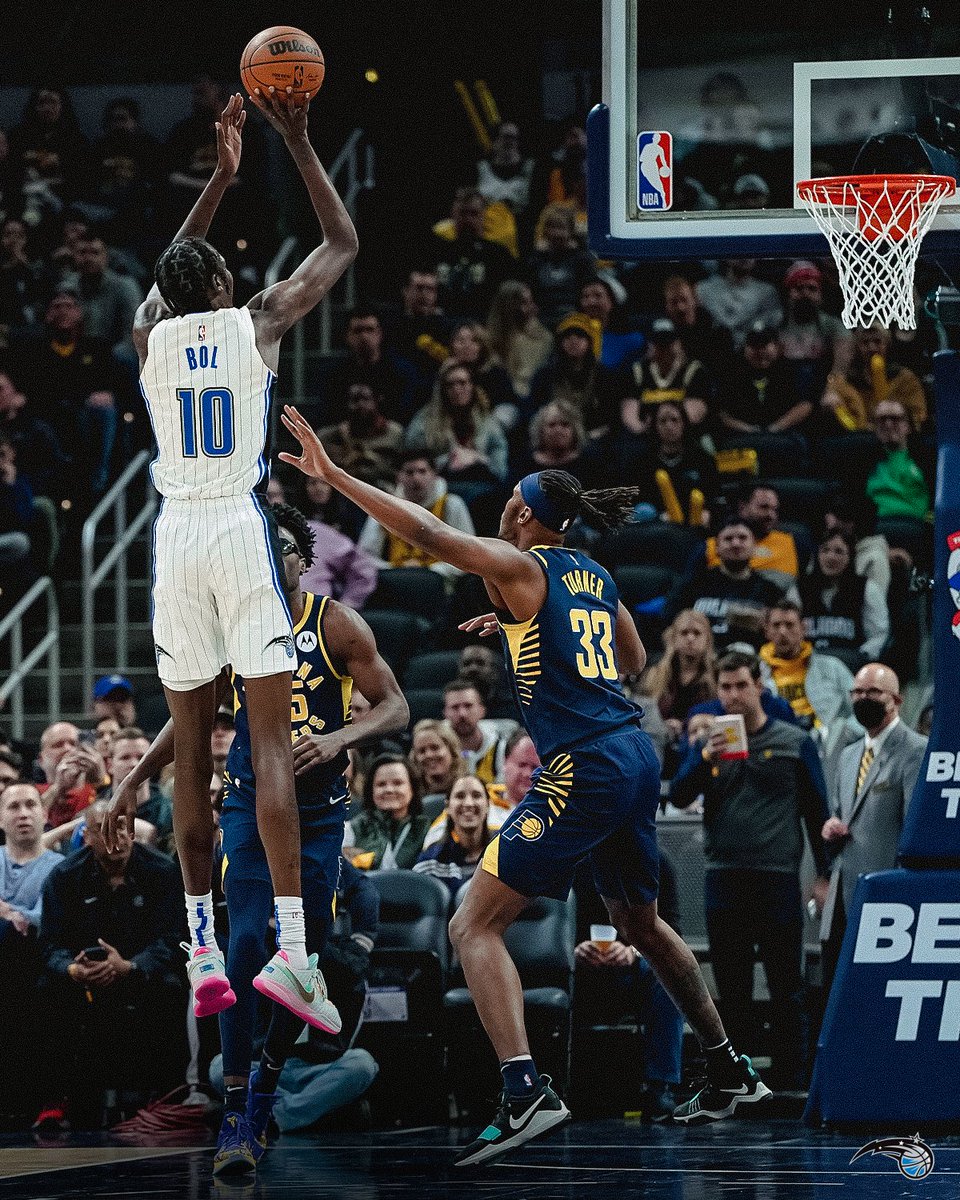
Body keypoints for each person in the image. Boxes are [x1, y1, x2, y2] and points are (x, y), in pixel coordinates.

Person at [277, 415, 770, 1162]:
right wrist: (523, 628)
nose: (505, 506)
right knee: (640, 922)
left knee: (471, 925)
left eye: (512, 500)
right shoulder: (592, 573)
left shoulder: (520, 561)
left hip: (586, 764)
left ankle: (523, 1091)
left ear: (524, 515)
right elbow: (631, 656)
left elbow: (430, 537)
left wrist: (337, 477)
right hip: (634, 752)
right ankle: (729, 1066)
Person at [102, 90, 359, 1032]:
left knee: (187, 761)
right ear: (222, 285)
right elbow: (341, 246)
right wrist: (293, 142)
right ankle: (295, 955)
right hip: (243, 533)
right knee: (264, 749)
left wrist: (215, 180)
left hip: (173, 541)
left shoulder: (146, 338)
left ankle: (201, 949)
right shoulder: (254, 321)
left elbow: (161, 283)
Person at [105, 503, 407, 1173]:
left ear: (306, 560)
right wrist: (130, 783)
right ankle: (238, 1107)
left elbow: (395, 705)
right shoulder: (236, 628)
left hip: (320, 813)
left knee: (307, 962)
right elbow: (190, 716)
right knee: (243, 946)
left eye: (285, 549)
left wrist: (338, 738)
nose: (272, 559)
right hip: (245, 804)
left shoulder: (336, 624)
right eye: (262, 548)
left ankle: (268, 1082)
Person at [670, 651, 831, 1089]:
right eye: (725, 688)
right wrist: (702, 757)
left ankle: (793, 1082)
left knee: (786, 986)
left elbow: (818, 811)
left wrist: (822, 875)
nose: (733, 696)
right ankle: (737, 1083)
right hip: (724, 876)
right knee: (732, 988)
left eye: (741, 685)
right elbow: (680, 796)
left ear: (759, 684)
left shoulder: (795, 740)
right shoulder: (709, 745)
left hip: (777, 877)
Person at [818, 663, 926, 986]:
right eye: (858, 692)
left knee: (880, 987)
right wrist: (832, 828)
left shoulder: (916, 750)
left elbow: (914, 829)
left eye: (874, 692)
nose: (864, 698)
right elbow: (841, 813)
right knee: (840, 986)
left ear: (897, 700)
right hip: (844, 887)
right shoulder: (849, 754)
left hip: (889, 891)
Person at [758, 600, 860, 777]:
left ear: (803, 628)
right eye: (776, 625)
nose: (782, 631)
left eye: (789, 625)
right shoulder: (755, 674)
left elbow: (861, 709)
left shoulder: (832, 668)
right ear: (766, 630)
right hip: (775, 748)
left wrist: (842, 731)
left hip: (826, 748)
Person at [664, 517, 794, 649]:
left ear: (754, 546)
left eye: (743, 538)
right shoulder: (692, 585)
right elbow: (667, 625)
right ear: (716, 547)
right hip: (701, 660)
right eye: (728, 539)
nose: (736, 544)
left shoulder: (771, 592)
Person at [358, 447, 475, 580]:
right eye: (409, 472)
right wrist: (395, 569)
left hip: (441, 580)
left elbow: (468, 556)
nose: (416, 478)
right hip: (397, 579)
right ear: (398, 477)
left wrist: (428, 571)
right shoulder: (384, 506)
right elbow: (364, 558)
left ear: (434, 475)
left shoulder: (452, 504)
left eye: (422, 471)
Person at [800, 529, 889, 665]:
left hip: (851, 664)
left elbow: (879, 634)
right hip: (807, 664)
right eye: (825, 550)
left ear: (850, 556)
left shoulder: (866, 588)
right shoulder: (800, 588)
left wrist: (860, 658)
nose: (831, 557)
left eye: (839, 551)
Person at [718, 322, 813, 435]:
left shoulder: (790, 370)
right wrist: (749, 430)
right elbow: (721, 412)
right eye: (754, 346)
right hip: (742, 435)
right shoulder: (732, 371)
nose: (759, 351)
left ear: (777, 346)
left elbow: (805, 405)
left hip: (784, 433)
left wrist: (775, 428)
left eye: (764, 345)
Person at [344, 755, 431, 871]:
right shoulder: (352, 829)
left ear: (412, 788)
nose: (389, 789)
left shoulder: (428, 829)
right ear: (371, 791)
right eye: (381, 784)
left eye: (397, 783)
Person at [643, 610, 717, 742]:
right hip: (661, 740)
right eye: (684, 633)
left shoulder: (717, 676)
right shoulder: (656, 674)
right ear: (674, 638)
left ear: (707, 639)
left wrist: (684, 725)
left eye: (697, 633)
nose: (690, 638)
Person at [414, 774, 494, 896]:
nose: (468, 803)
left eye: (476, 796)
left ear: (488, 805)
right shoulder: (431, 860)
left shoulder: (504, 851)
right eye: (460, 796)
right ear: (447, 807)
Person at [316, 381, 404, 490]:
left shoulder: (394, 433)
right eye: (355, 400)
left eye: (366, 399)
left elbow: (400, 471)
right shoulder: (331, 436)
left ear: (377, 400)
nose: (360, 405)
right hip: (345, 491)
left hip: (385, 490)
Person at [486, 279, 552, 401]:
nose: (532, 308)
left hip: (530, 398)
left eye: (531, 301)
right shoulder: (489, 338)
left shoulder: (542, 337)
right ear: (509, 306)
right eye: (524, 303)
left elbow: (530, 380)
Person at [443, 678, 514, 784]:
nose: (462, 713)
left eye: (468, 706)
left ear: (482, 710)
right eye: (455, 707)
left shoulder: (500, 745)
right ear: (445, 713)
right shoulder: (435, 745)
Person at [409, 719, 465, 816]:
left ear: (451, 750)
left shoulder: (470, 787)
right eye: (422, 751)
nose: (429, 755)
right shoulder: (410, 795)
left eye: (435, 748)